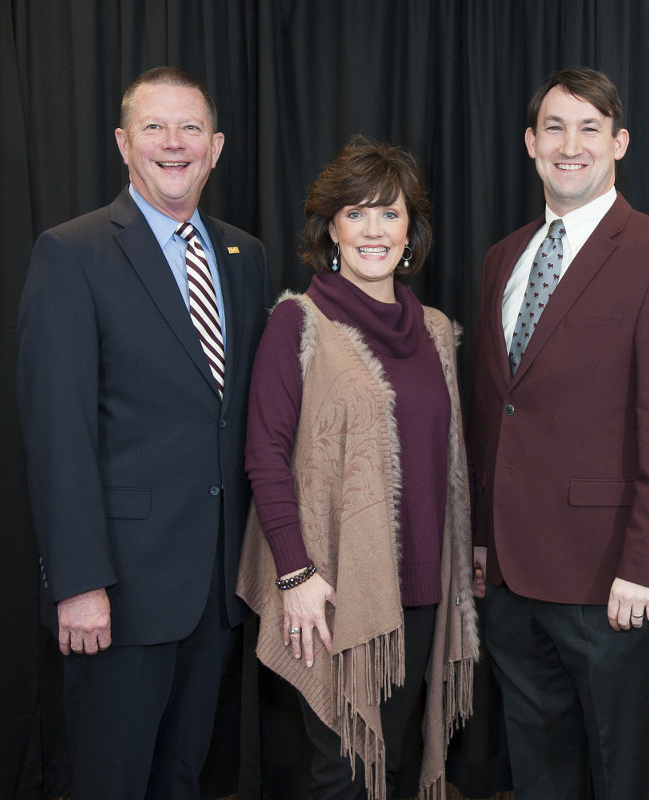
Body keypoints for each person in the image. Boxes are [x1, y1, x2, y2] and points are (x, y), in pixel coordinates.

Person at [16, 67, 273, 798]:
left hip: (216, 590)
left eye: (190, 128)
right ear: (124, 143)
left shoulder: (243, 256)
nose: (174, 143)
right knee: (111, 782)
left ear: (216, 147)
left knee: (183, 780)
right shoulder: (73, 254)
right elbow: (56, 433)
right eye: (155, 127)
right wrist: (78, 582)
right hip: (119, 592)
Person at [467, 68, 649, 799]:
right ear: (529, 143)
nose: (569, 145)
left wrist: (647, 563)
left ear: (619, 143)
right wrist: (482, 538)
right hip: (512, 576)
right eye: (554, 127)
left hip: (614, 578)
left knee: (626, 773)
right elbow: (494, 413)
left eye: (588, 129)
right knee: (541, 769)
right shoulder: (503, 259)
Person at [236, 135, 478, 800]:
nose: (375, 229)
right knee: (344, 770)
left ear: (411, 231)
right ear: (331, 229)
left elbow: (453, 461)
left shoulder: (433, 329)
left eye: (391, 213)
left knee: (392, 762)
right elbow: (265, 454)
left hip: (425, 588)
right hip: (332, 589)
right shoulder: (298, 322)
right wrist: (296, 573)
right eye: (357, 212)